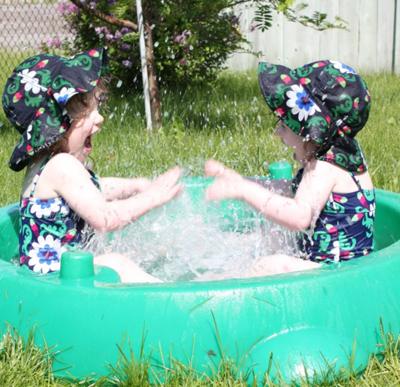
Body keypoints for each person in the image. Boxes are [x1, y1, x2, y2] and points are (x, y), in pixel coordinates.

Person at [2, 48, 182, 283]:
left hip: (60, 278)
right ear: (56, 124)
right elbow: (106, 218)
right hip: (56, 284)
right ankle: (177, 303)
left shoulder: (47, 165)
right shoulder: (61, 165)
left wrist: (135, 186)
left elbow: (93, 189)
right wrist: (154, 197)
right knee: (116, 262)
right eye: (87, 111)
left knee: (135, 254)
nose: (99, 118)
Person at [205, 60, 375, 277]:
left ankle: (217, 296)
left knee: (271, 266)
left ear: (313, 132)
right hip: (346, 270)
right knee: (272, 235)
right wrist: (240, 181)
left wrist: (243, 191)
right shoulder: (342, 153)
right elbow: (292, 190)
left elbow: (298, 217)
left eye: (285, 126)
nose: (278, 133)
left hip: (338, 276)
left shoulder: (324, 167)